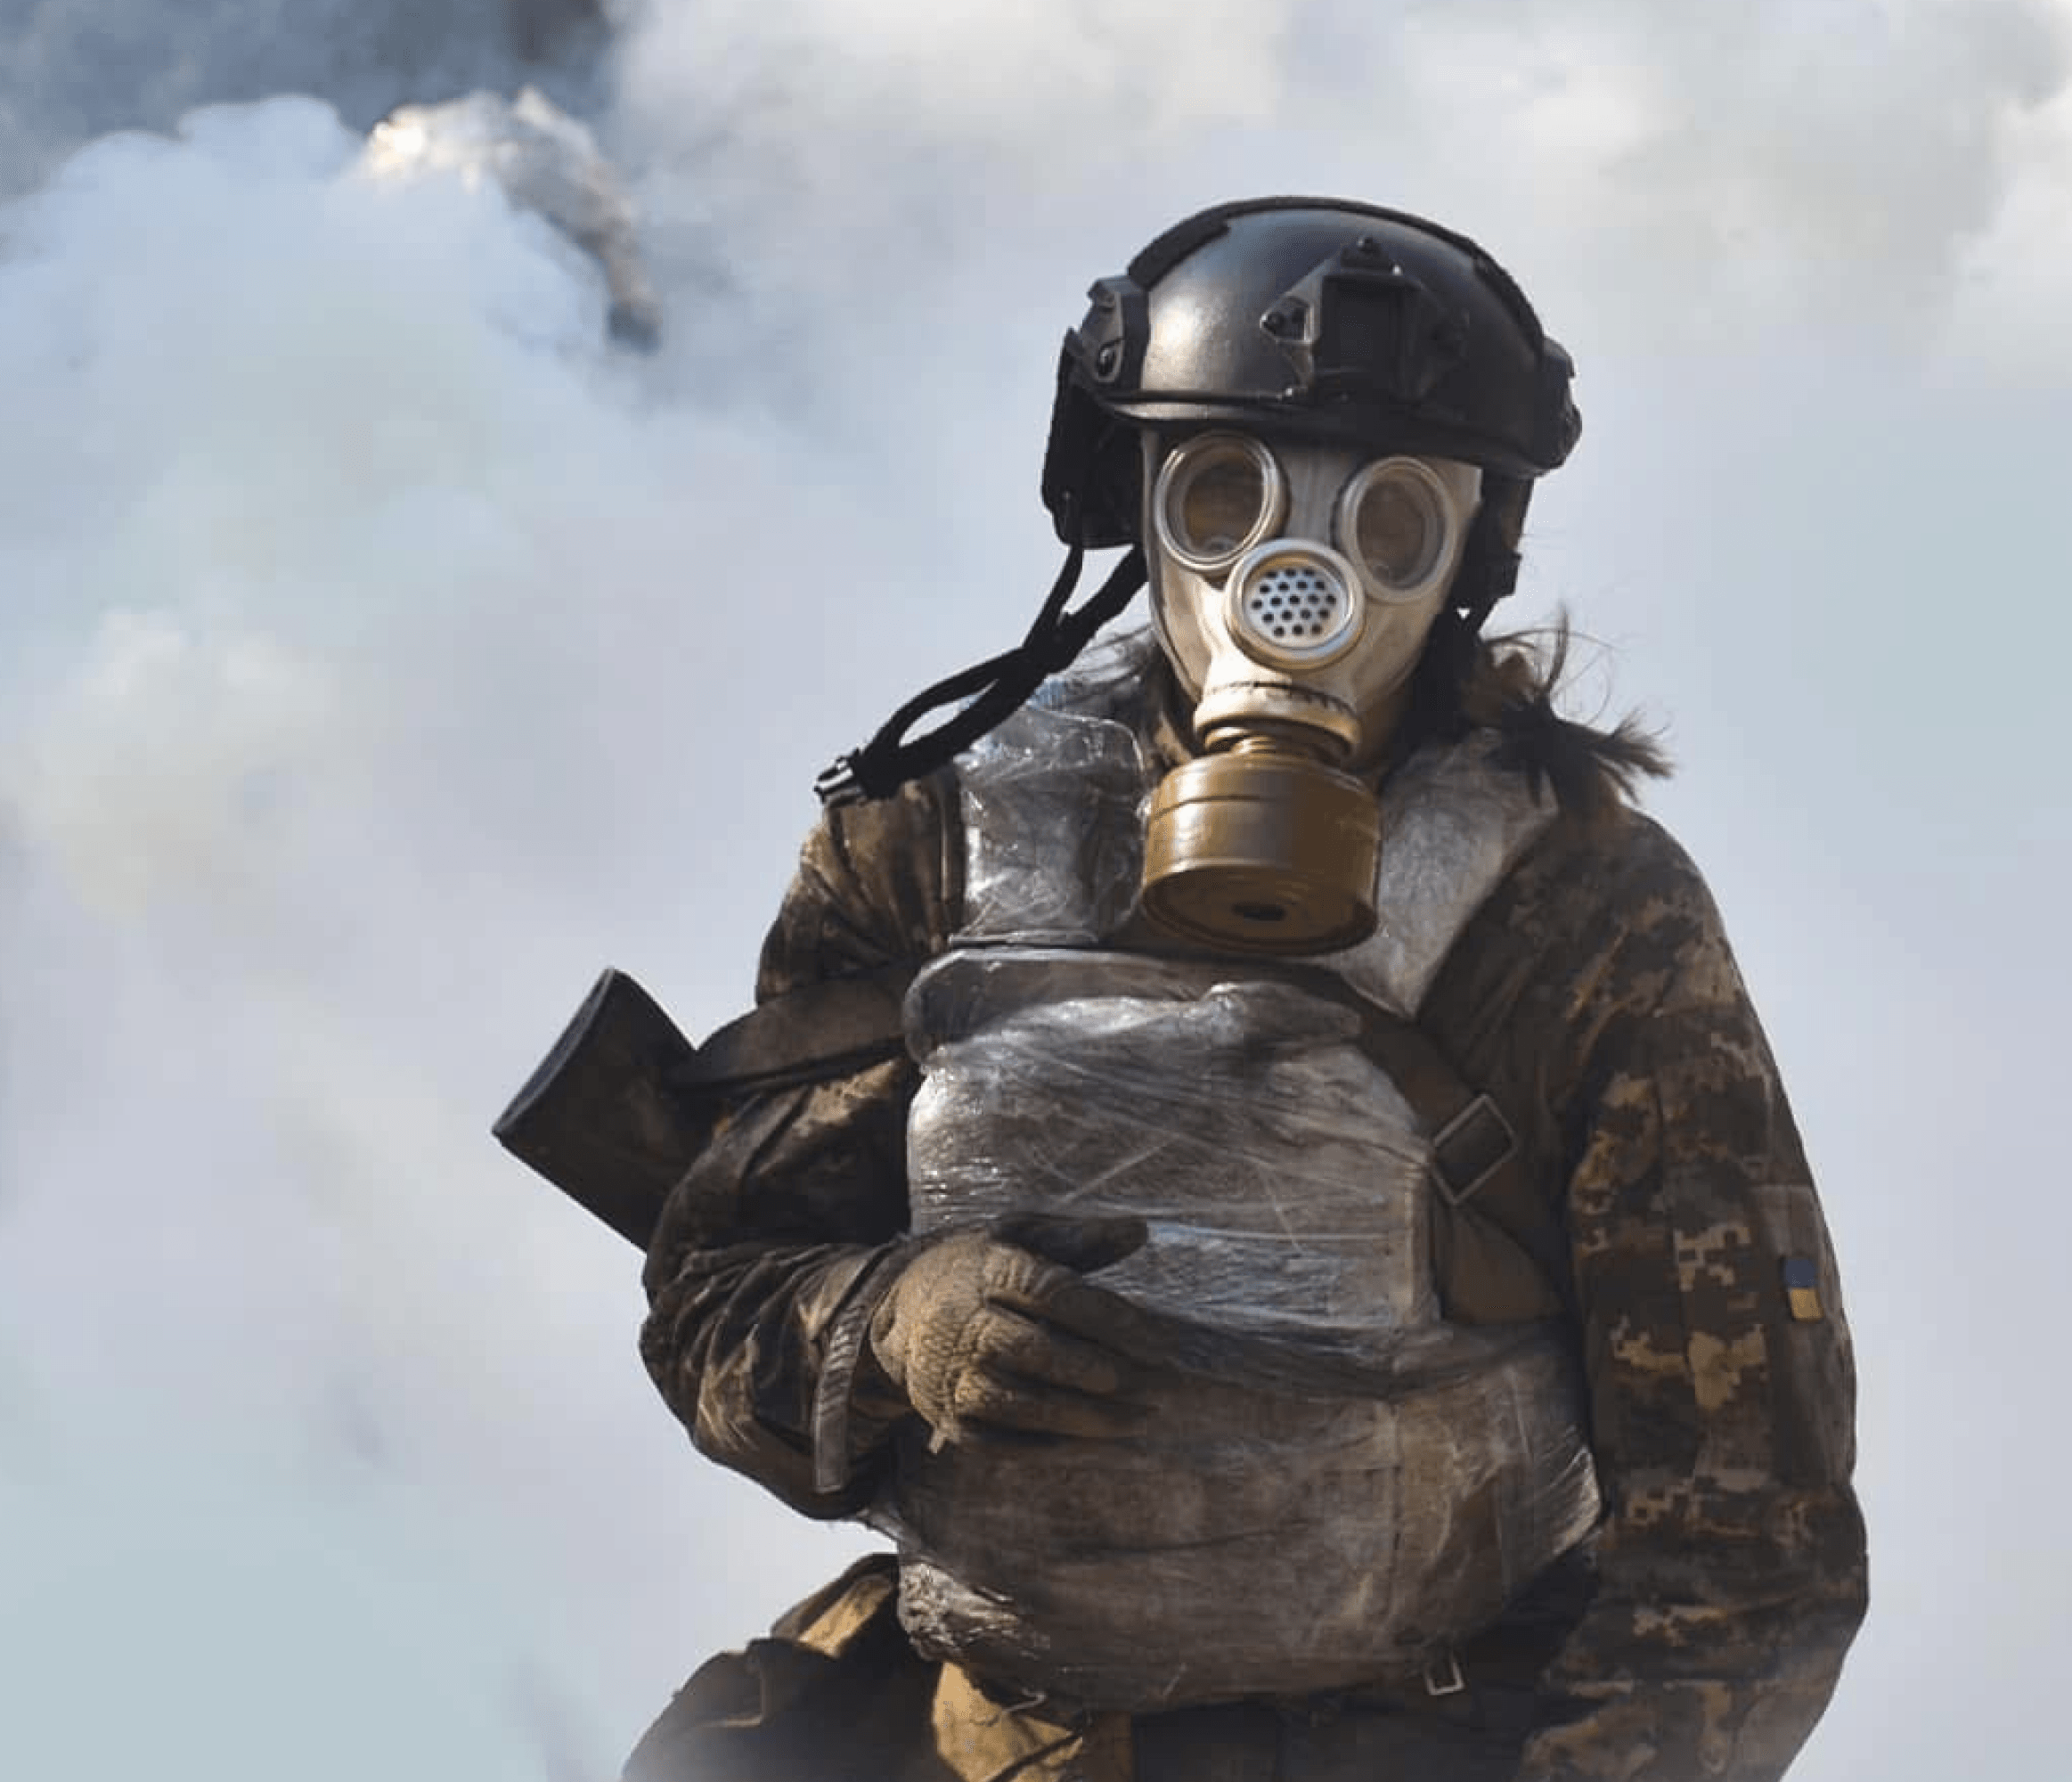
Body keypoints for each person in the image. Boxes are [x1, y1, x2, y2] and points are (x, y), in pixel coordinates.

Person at [617, 197, 1867, 1782]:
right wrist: (890, 1326)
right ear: (1131, 501)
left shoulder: (1581, 914)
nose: (1299, 582)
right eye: (1228, 497)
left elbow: (1753, 1535)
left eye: (1389, 524)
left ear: (1474, 549)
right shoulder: (928, 838)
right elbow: (715, 1297)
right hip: (998, 1732)